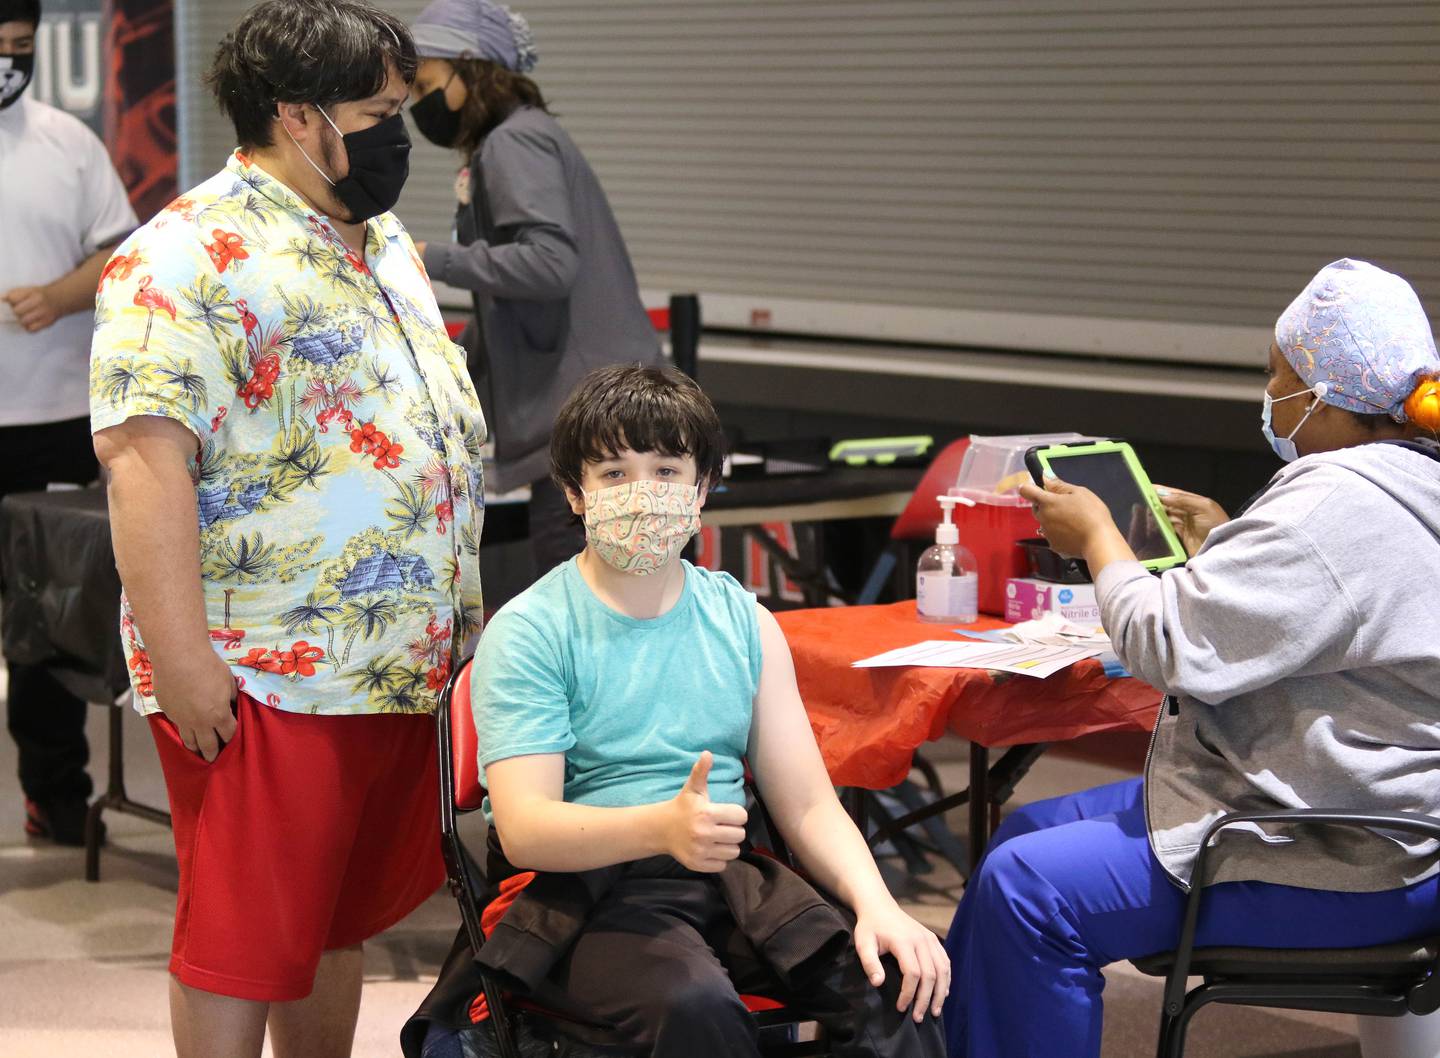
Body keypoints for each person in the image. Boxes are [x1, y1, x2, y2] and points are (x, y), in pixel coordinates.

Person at [88, 2, 486, 1055]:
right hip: (270, 663)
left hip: (391, 660)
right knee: (243, 935)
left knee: (333, 919)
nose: (398, 130)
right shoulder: (184, 255)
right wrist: (181, 662)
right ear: (297, 116)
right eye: (378, 110)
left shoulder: (376, 234)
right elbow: (141, 462)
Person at [942, 258, 1440, 1058]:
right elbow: (1332, 612)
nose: (1272, 394)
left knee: (1026, 892)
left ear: (1323, 392)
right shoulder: (1413, 479)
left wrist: (1100, 540)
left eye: (1279, 375)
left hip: (1347, 856)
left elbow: (1164, 644)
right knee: (1023, 830)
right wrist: (1225, 543)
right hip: (1394, 822)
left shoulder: (1332, 502)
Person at [406, 364, 947, 1058]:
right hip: (583, 896)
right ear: (575, 494)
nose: (643, 495)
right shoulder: (532, 629)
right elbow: (526, 829)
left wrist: (880, 906)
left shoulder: (743, 621)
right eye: (613, 474)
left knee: (903, 979)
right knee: (694, 1010)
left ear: (701, 490)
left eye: (666, 471)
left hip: (729, 884)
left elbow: (808, 805)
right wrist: (662, 827)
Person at [405, 0, 662, 578]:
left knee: (591, 605)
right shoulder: (520, 138)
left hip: (595, 422)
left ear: (470, 69)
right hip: (603, 417)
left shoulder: (512, 143)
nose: (416, 103)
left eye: (425, 82)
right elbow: (512, 300)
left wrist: (428, 258)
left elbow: (548, 265)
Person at [0, 0, 137, 844]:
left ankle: (55, 794)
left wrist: (58, 295)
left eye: (16, 49)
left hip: (52, 418)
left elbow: (116, 252)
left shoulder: (66, 142)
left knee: (42, 627)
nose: (6, 63)